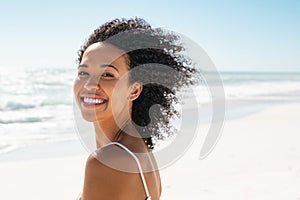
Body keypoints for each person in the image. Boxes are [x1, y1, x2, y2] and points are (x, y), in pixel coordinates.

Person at [73, 17, 196, 200]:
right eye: (83, 72)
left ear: (134, 89)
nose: (90, 84)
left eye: (107, 74)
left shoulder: (108, 161)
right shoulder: (138, 151)